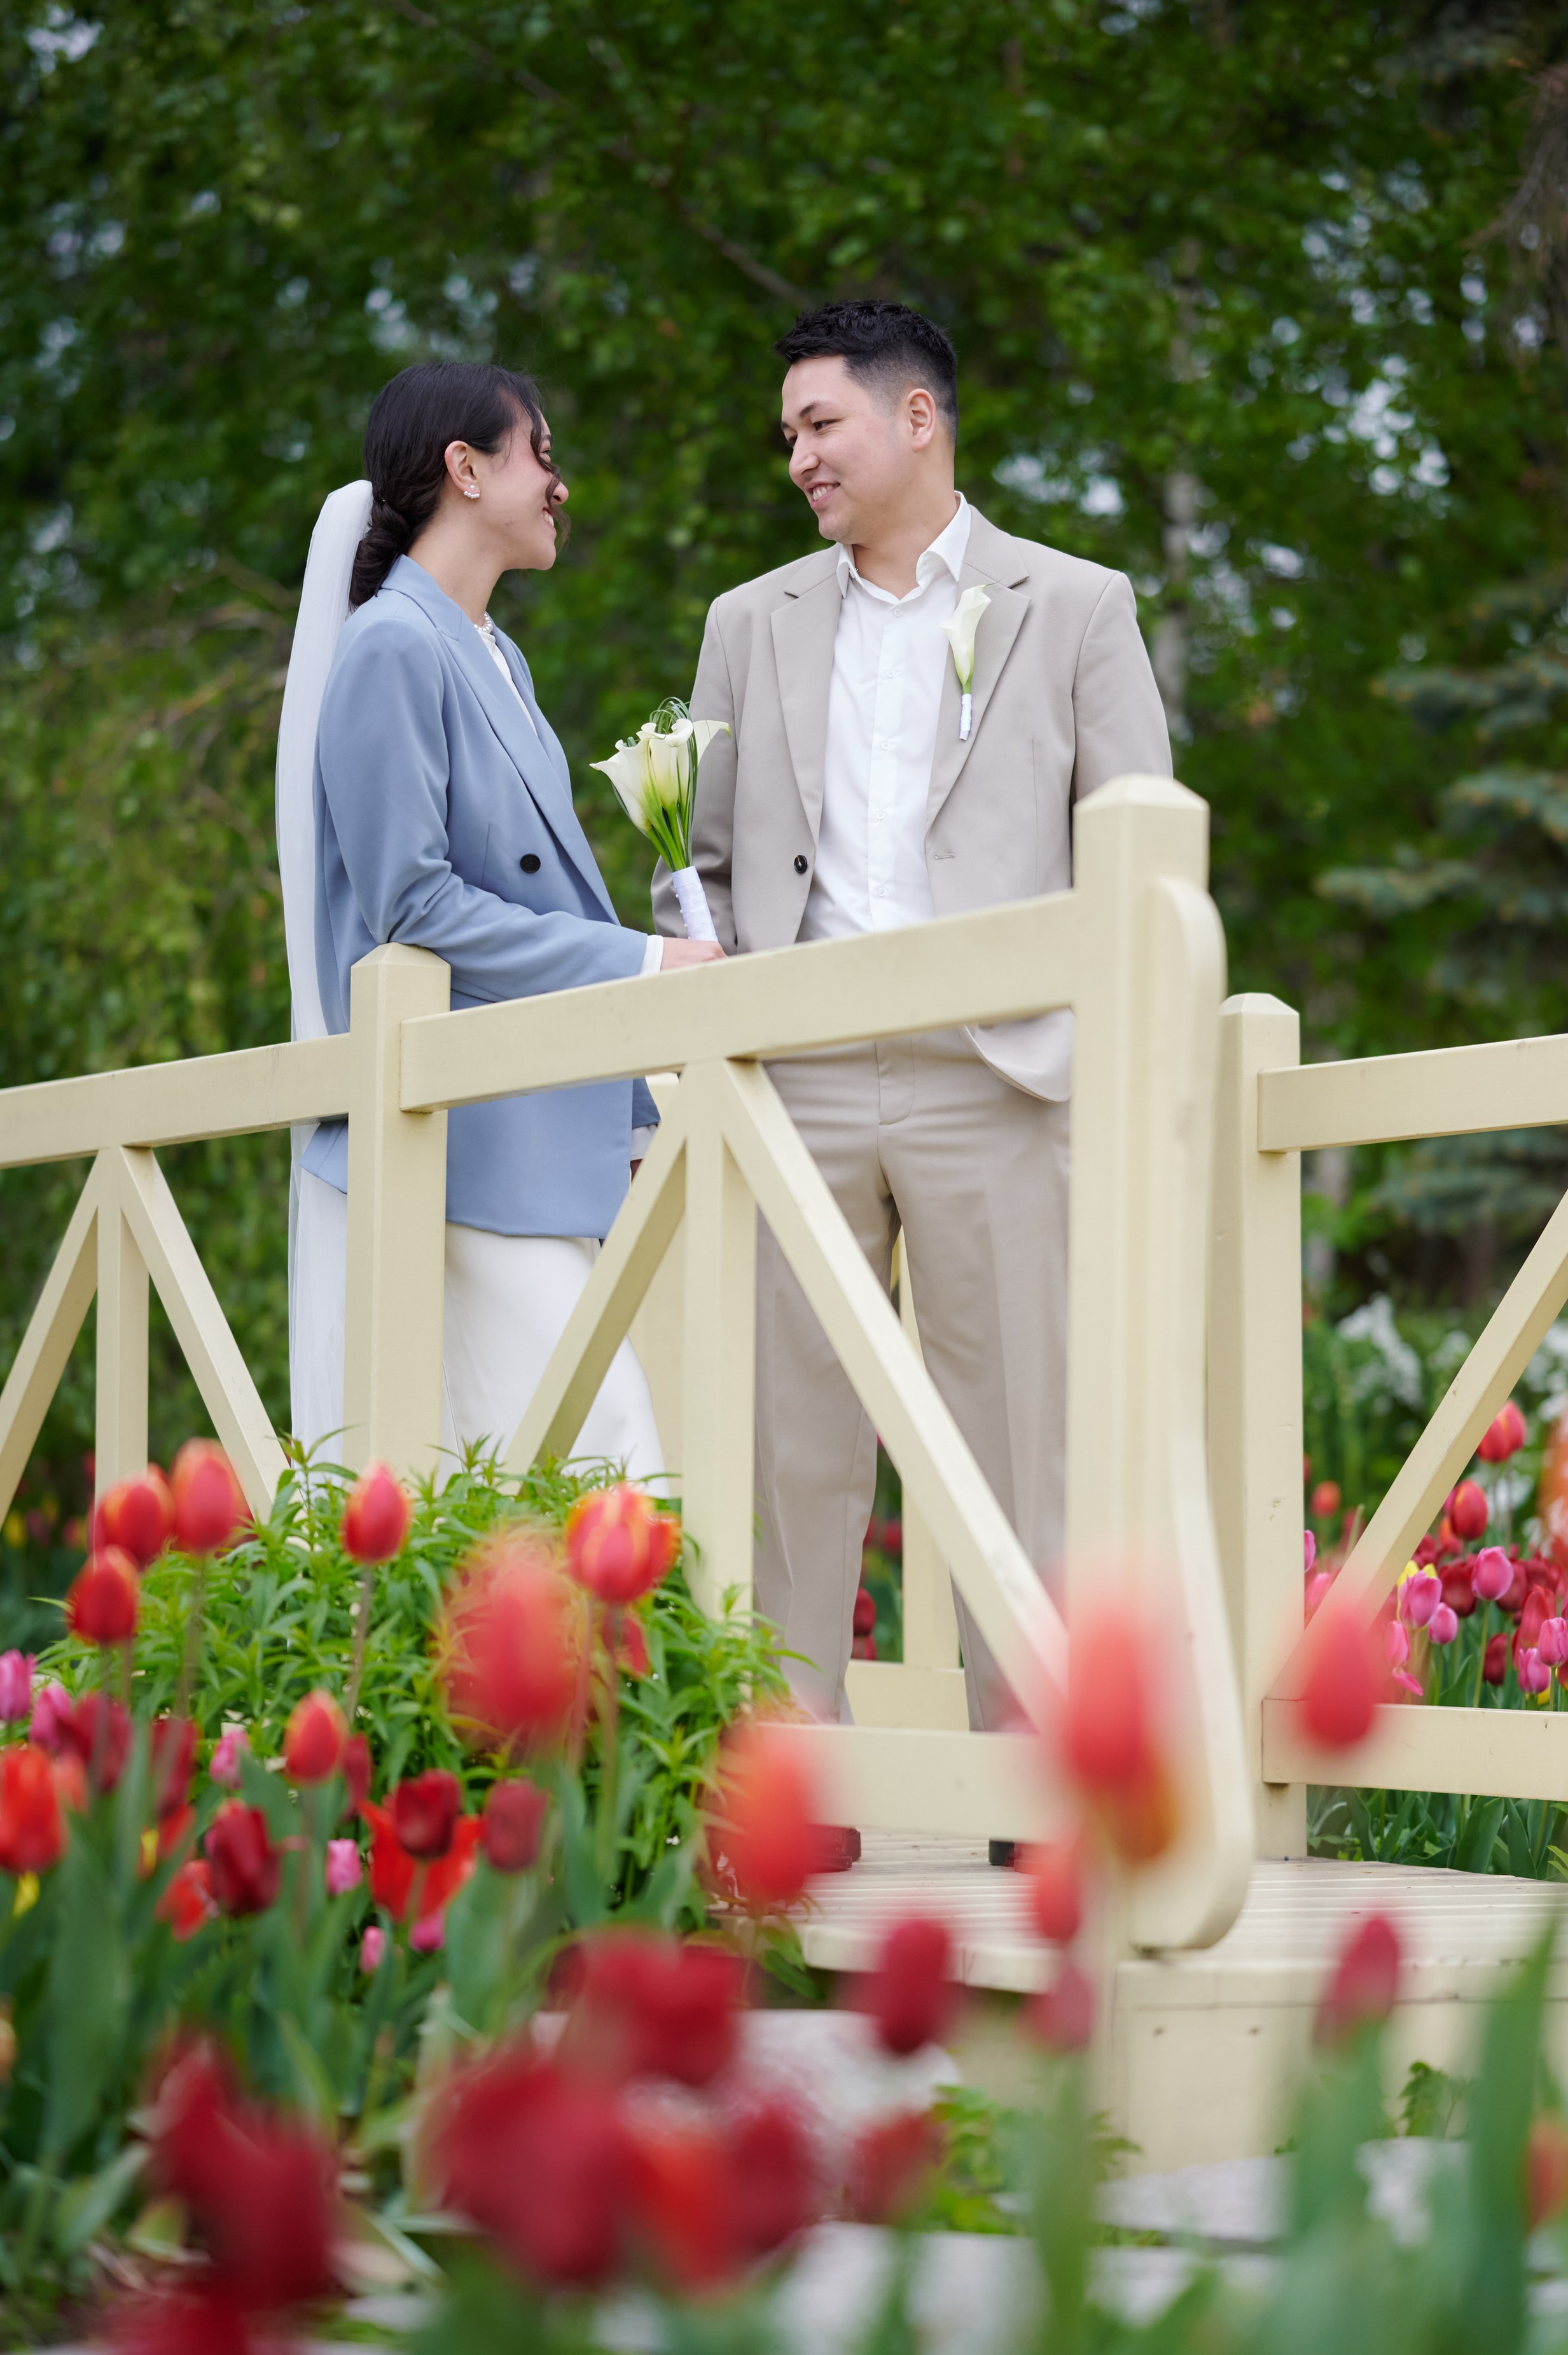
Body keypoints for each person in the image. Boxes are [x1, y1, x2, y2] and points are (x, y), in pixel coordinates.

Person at [656, 299, 1170, 1775]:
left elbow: (1141, 851)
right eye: (789, 438)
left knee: (1021, 1441)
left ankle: (1036, 1775)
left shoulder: (1073, 605)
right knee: (785, 1448)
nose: (798, 460)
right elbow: (690, 859)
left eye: (819, 425)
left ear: (916, 419)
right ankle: (790, 1779)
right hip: (793, 1081)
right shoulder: (745, 624)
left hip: (995, 1074)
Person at [277, 360, 723, 1470]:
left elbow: (534, 895)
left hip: (521, 1134)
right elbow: (413, 906)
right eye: (542, 454)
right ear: (464, 470)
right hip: (458, 1144)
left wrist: (629, 1115)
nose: (558, 485)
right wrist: (645, 964)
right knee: (608, 1465)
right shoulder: (390, 643)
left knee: (566, 1481)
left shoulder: (495, 653)